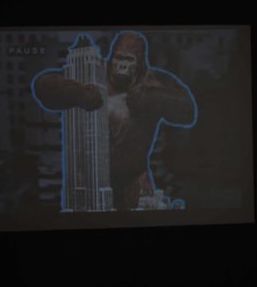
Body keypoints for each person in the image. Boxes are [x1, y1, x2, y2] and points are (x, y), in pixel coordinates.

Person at [32, 31, 197, 211]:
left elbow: (188, 113)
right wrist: (77, 93)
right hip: (89, 181)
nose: (122, 66)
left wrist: (150, 98)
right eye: (119, 58)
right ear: (111, 59)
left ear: (140, 64)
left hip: (133, 181)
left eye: (129, 60)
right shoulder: (92, 74)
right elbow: (42, 85)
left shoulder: (152, 82)